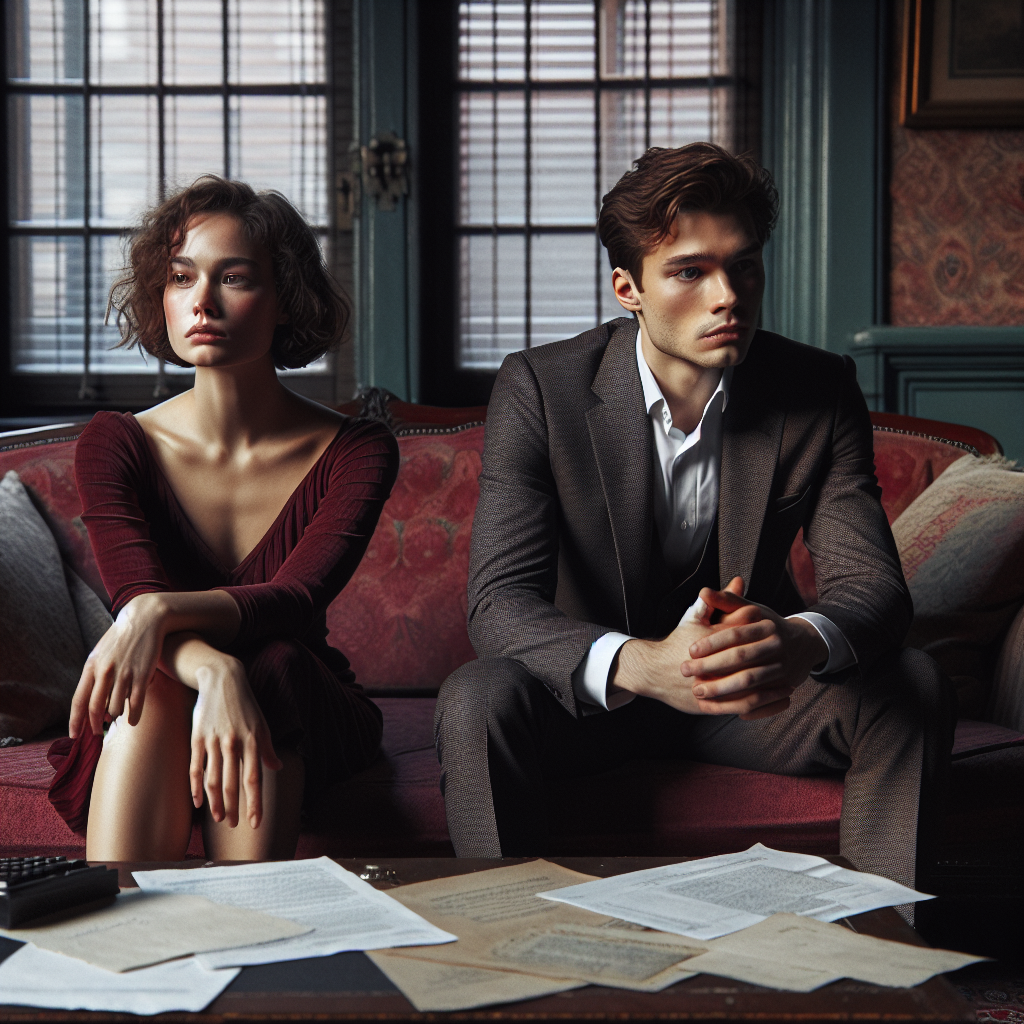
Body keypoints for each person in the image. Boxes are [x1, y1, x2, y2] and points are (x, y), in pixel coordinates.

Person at [434, 143, 954, 893]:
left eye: (743, 266)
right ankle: (509, 947)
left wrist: (795, 643)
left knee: (914, 684)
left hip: (746, 700)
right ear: (628, 288)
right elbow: (499, 604)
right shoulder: (540, 389)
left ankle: (883, 961)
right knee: (477, 695)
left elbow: (874, 589)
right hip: (592, 700)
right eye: (689, 271)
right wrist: (644, 664)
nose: (727, 297)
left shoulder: (816, 388)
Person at [48, 176, 399, 862]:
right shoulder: (115, 443)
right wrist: (213, 671)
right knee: (158, 682)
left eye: (233, 277)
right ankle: (126, 949)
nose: (201, 302)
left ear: (286, 299)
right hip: (171, 684)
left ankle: (247, 941)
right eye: (181, 278)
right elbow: (135, 601)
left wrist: (154, 615)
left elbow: (296, 600)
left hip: (299, 692)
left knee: (270, 664)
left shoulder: (357, 449)